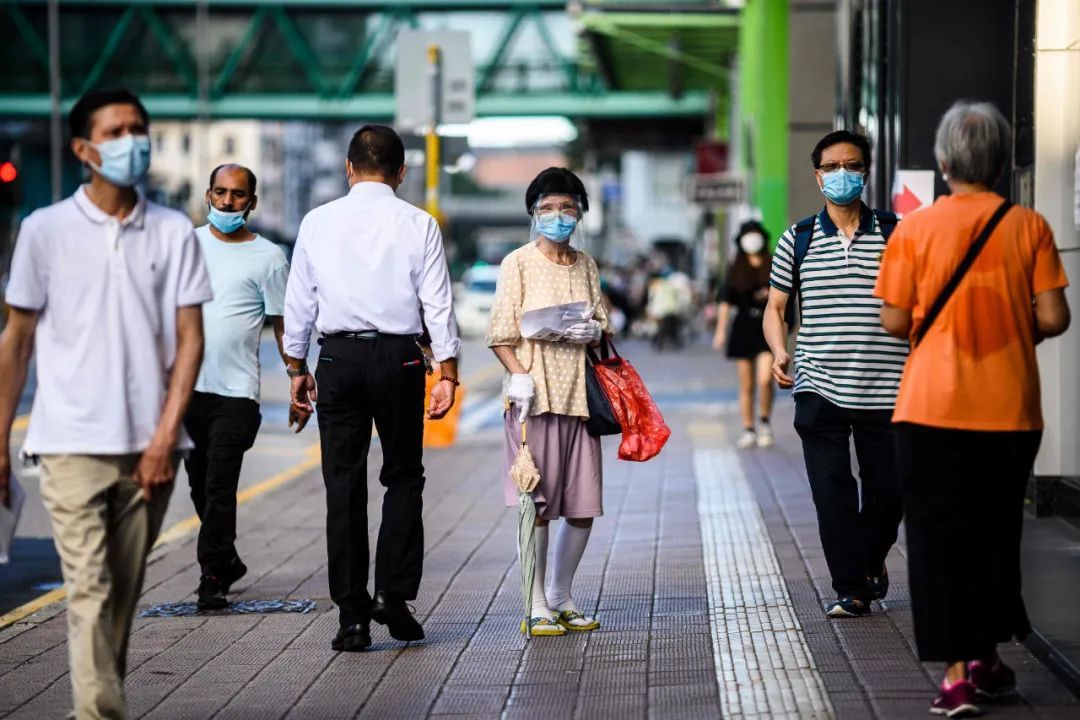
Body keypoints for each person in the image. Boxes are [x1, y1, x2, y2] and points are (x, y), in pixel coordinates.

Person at [0, 88, 211, 719]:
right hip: (68, 446)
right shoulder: (44, 230)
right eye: (117, 130)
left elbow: (189, 344)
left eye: (139, 128)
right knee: (88, 590)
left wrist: (163, 440)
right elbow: (15, 342)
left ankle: (95, 706)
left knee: (120, 596)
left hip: (152, 450)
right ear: (84, 149)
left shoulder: (173, 231)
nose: (132, 140)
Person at [876, 101, 1070, 717]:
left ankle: (960, 674)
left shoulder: (913, 230)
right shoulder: (1028, 226)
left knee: (938, 540)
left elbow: (895, 319)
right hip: (1009, 411)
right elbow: (1054, 316)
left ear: (943, 162)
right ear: (1002, 161)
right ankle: (984, 656)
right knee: (993, 536)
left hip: (929, 409)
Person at [283, 125, 460, 653]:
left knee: (344, 485)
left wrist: (298, 366)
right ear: (402, 173)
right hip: (401, 358)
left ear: (348, 167)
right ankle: (394, 596)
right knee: (403, 476)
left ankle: (352, 619)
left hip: (339, 358)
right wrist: (447, 372)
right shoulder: (419, 223)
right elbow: (438, 304)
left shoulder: (317, 221)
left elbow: (299, 304)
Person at [763, 130, 907, 618]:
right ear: (817, 174)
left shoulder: (897, 232)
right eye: (831, 166)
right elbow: (776, 305)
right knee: (832, 493)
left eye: (852, 164)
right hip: (819, 384)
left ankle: (867, 562)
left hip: (890, 387)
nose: (841, 173)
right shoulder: (797, 237)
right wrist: (780, 350)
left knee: (889, 492)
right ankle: (851, 587)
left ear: (866, 171)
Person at [487, 167, 611, 637]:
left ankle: (560, 596)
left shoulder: (586, 264)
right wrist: (518, 376)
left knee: (581, 506)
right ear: (533, 213)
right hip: (532, 400)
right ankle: (534, 602)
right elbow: (500, 333)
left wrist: (595, 330)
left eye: (566, 207)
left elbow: (603, 320)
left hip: (580, 399)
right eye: (547, 208)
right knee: (534, 505)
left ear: (579, 212)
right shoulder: (517, 262)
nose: (558, 216)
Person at [185, 163, 305, 611]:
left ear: (251, 202)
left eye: (238, 195)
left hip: (237, 392)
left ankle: (212, 576)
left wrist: (297, 374)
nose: (228, 202)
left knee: (219, 485)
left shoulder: (269, 257)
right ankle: (228, 559)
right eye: (220, 193)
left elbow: (282, 323)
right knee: (199, 484)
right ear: (208, 196)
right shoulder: (186, 246)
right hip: (186, 390)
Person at [713, 221, 776, 449]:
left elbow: (784, 298)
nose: (752, 239)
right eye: (747, 235)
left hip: (767, 327)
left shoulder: (773, 263)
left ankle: (765, 420)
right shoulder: (736, 267)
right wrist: (720, 330)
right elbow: (725, 301)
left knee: (765, 379)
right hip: (742, 327)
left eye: (755, 235)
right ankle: (748, 428)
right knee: (747, 384)